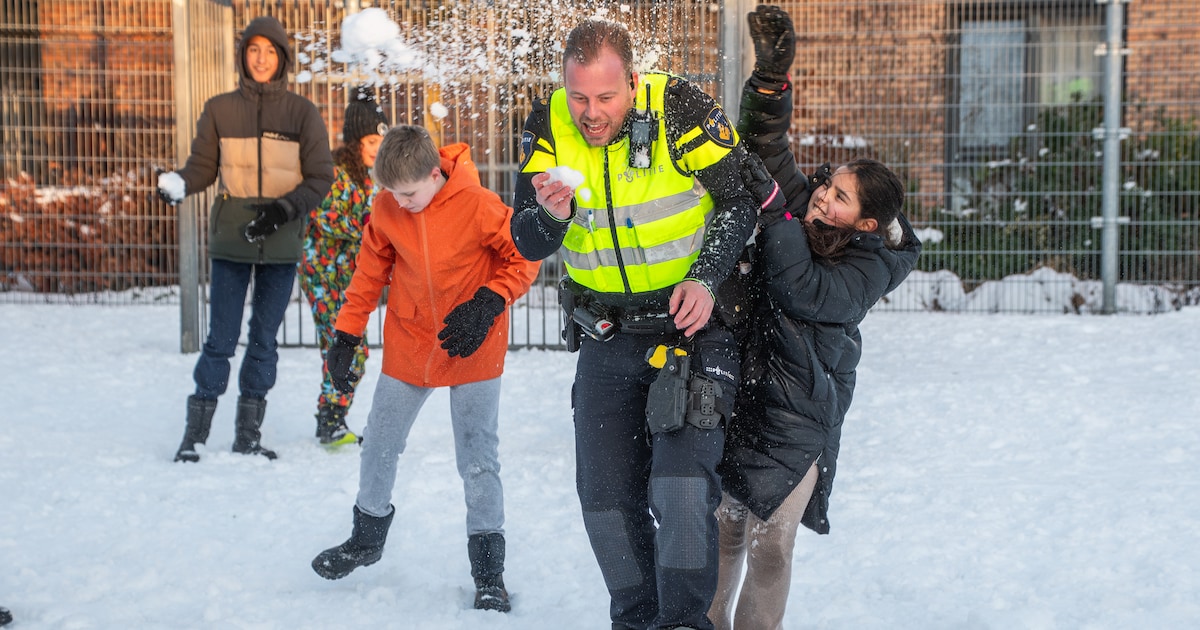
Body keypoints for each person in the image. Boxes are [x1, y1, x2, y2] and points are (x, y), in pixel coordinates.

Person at [510, 17, 760, 630]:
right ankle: (635, 619)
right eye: (579, 97)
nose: (591, 113)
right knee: (602, 500)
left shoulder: (679, 108)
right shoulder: (547, 125)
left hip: (691, 329)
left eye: (605, 97)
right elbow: (525, 238)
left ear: (633, 80)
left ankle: (682, 623)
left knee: (678, 491)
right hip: (606, 334)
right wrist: (548, 216)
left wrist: (704, 278)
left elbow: (741, 198)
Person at [708, 7, 923, 629]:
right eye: (826, 184)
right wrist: (771, 82)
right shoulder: (806, 210)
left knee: (771, 542)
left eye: (839, 197)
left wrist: (775, 213)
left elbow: (801, 288)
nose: (823, 195)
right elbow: (766, 148)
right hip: (745, 391)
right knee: (723, 529)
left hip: (801, 414)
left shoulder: (869, 269)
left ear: (866, 224)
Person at [310, 125, 540, 614]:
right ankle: (366, 537)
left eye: (409, 193)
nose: (401, 202)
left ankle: (489, 574)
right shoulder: (387, 207)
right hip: (412, 342)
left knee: (478, 458)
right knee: (380, 440)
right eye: (391, 193)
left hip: (473, 341)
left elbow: (524, 256)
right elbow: (369, 272)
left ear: (435, 174)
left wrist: (489, 301)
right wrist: (347, 333)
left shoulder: (477, 204)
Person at [157, 15, 334, 463]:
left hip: (281, 240)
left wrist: (283, 210)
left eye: (270, 51)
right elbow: (202, 167)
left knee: (263, 340)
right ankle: (193, 438)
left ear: (282, 58)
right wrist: (179, 182)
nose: (261, 58)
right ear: (243, 55)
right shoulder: (219, 108)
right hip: (233, 238)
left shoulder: (302, 113)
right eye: (254, 50)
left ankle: (248, 436)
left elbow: (321, 177)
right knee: (220, 338)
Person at [298, 87, 389, 446]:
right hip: (324, 276)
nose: (376, 149)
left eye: (380, 142)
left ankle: (332, 417)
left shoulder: (368, 178)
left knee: (350, 349)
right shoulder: (336, 174)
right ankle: (330, 420)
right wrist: (371, 227)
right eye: (370, 141)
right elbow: (325, 217)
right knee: (347, 349)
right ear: (354, 142)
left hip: (346, 279)